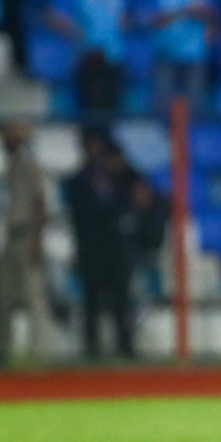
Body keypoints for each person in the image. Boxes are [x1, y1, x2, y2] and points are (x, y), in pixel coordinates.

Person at [62, 129, 134, 358]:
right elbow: (80, 214)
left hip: (114, 248)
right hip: (91, 248)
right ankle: (92, 348)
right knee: (92, 301)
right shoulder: (78, 181)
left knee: (120, 300)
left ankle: (125, 346)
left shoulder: (117, 176)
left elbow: (131, 200)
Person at [0, 123, 48, 361]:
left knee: (32, 296)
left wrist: (37, 241)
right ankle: (4, 350)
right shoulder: (7, 166)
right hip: (9, 236)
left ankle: (37, 350)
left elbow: (41, 205)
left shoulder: (30, 166)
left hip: (26, 235)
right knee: (4, 296)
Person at [149, 0, 216, 110]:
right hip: (166, 54)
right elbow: (153, 20)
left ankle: (194, 135)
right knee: (163, 106)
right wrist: (181, 12)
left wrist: (203, 13)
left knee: (195, 106)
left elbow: (214, 19)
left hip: (194, 55)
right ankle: (166, 135)